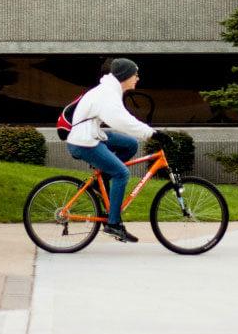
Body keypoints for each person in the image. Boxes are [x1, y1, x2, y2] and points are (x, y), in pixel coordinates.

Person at [65, 58, 168, 243]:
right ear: (125, 76)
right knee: (121, 173)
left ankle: (102, 178)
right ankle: (113, 224)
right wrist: (152, 134)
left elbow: (124, 118)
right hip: (84, 142)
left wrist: (149, 133)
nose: (138, 77)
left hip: (92, 134)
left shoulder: (111, 90)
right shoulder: (107, 94)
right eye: (135, 74)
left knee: (131, 144)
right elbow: (121, 120)